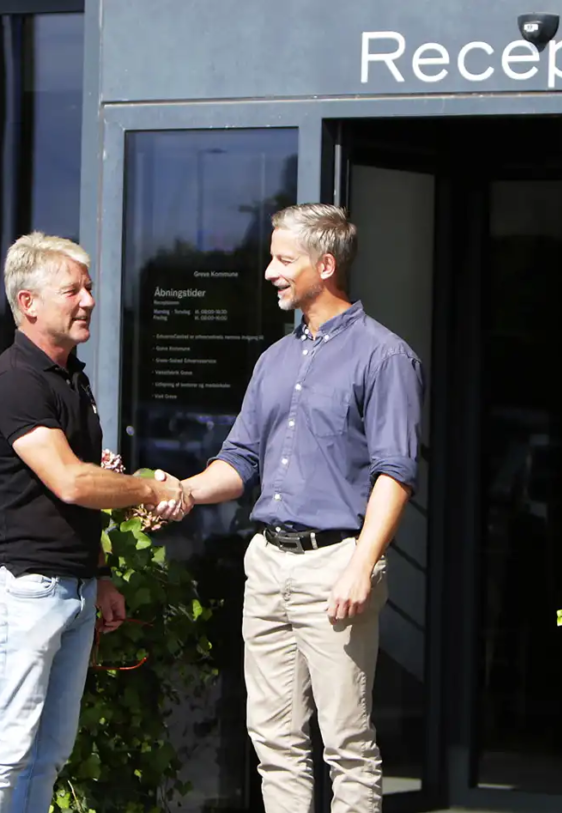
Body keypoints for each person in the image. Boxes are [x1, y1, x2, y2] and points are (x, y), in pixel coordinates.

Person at [164, 203, 424, 813]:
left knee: (347, 745)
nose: (269, 273)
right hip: (267, 565)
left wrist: (361, 565)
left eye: (284, 260)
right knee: (274, 741)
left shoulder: (384, 357)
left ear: (325, 265)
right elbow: (239, 462)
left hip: (335, 566)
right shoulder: (275, 360)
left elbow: (395, 474)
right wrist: (181, 491)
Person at [0, 232, 189, 813]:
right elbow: (71, 481)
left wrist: (101, 575)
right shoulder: (15, 381)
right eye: (73, 290)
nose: (89, 300)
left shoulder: (69, 379)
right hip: (24, 590)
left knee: (48, 754)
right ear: (28, 303)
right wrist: (149, 489)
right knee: (5, 751)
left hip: (73, 587)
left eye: (88, 288)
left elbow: (71, 498)